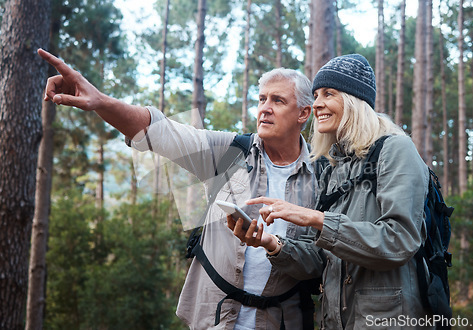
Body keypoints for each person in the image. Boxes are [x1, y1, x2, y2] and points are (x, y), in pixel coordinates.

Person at [37, 48, 324, 329]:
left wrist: (272, 246)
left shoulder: (322, 177)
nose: (265, 108)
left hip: (282, 321)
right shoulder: (231, 152)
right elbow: (159, 131)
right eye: (261, 99)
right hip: (213, 320)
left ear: (303, 113)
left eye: (277, 100)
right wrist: (99, 101)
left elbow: (320, 262)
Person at [229, 54, 431, 329]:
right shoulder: (334, 166)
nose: (317, 104)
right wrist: (271, 244)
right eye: (315, 95)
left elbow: (400, 240)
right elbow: (321, 261)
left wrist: (315, 218)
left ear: (354, 101)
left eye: (328, 93)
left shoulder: (395, 149)